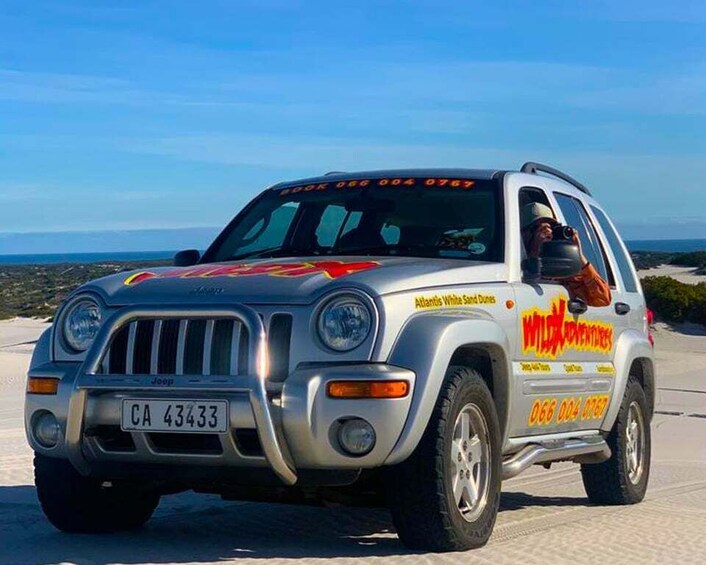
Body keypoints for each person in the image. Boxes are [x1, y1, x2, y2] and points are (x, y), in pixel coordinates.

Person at [521, 202, 611, 307]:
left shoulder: (562, 270)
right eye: (537, 227)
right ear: (524, 234)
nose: (547, 232)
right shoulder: (511, 263)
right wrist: (534, 253)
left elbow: (602, 298)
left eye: (551, 227)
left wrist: (578, 255)